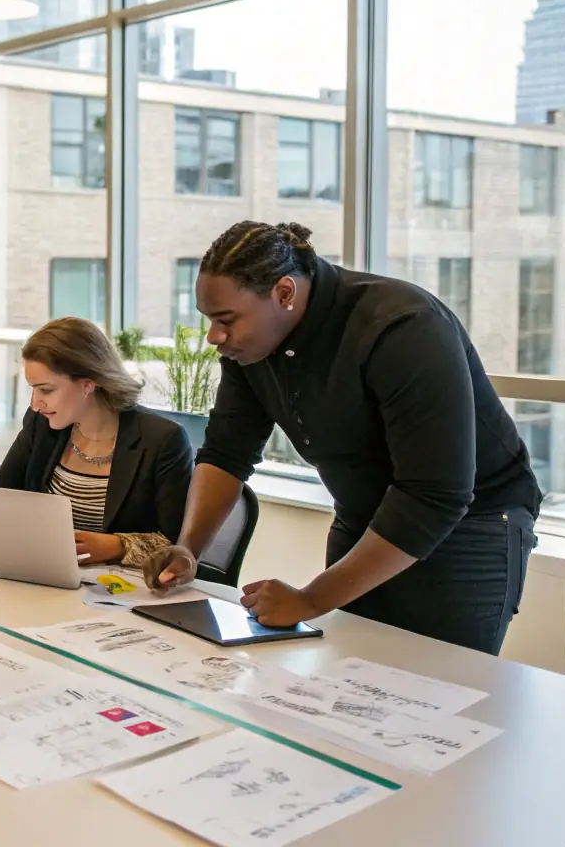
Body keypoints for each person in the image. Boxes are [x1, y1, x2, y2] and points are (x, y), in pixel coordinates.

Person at [145, 221, 542, 655]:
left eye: (226, 320)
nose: (214, 337)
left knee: (440, 681)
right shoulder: (249, 347)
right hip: (365, 517)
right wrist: (189, 550)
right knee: (349, 676)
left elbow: (435, 495)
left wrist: (311, 599)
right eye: (209, 320)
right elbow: (226, 452)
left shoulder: (403, 326)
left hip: (470, 527)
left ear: (284, 293)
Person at [0, 317, 193, 569]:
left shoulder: (163, 440)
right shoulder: (41, 425)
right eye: (33, 389)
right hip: (47, 572)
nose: (35, 404)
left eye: (46, 390)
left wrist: (118, 546)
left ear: (87, 385)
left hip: (122, 584)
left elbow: (178, 545)